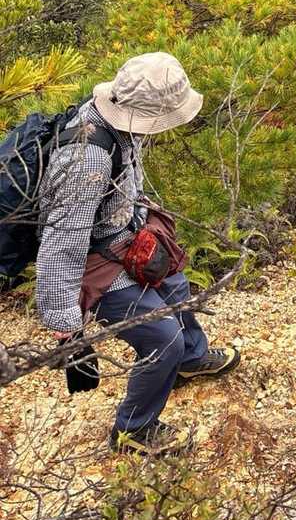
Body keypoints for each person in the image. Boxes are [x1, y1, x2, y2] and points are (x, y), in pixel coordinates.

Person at [37, 52, 240, 454]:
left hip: (124, 238)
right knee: (163, 338)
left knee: (175, 283)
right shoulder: (87, 158)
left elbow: (126, 186)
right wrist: (66, 326)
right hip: (95, 264)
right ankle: (134, 430)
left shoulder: (119, 128)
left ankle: (189, 360)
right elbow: (61, 243)